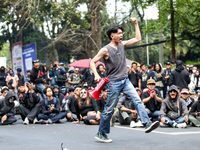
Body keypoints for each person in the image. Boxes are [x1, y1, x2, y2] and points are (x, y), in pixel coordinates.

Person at [90, 18, 159, 143]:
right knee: (109, 109)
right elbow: (92, 62)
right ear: (112, 36)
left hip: (125, 81)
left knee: (137, 100)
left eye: (122, 33)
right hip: (113, 83)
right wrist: (96, 74)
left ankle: (147, 123)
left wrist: (136, 24)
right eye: (119, 33)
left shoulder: (122, 45)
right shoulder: (105, 50)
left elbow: (138, 39)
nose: (121, 35)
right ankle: (101, 133)